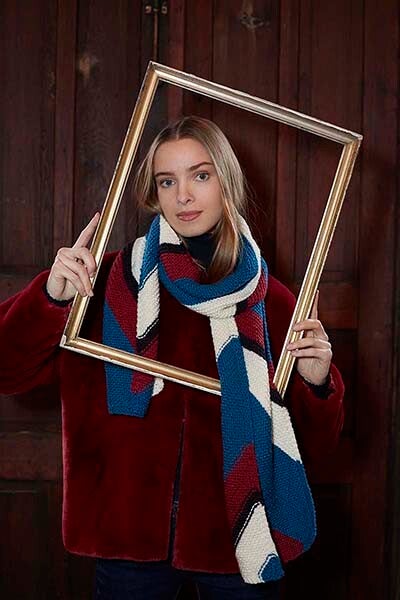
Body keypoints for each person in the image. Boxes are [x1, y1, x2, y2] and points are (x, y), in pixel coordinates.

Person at [0, 116, 344, 599]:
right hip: (127, 538)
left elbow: (316, 448)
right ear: (154, 193)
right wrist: (52, 298)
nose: (183, 195)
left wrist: (317, 384)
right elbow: (7, 370)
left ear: (226, 183)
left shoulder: (274, 302)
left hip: (238, 543)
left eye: (200, 175)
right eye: (167, 181)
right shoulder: (104, 282)